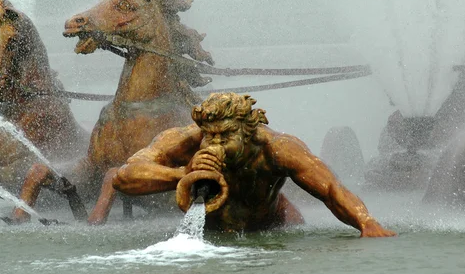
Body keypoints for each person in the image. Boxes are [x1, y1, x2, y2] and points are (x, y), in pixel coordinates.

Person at [112, 92, 396, 237]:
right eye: (209, 134)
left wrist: (366, 223)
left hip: (270, 232)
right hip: (212, 238)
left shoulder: (276, 148)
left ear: (247, 130)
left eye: (225, 135)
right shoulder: (186, 140)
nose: (214, 143)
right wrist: (182, 173)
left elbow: (332, 189)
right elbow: (124, 178)